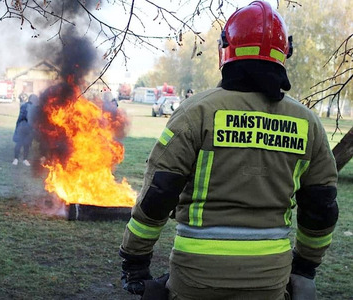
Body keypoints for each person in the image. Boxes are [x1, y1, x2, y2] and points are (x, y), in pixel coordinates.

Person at [119, 2, 338, 300]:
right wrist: (305, 267)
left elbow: (158, 193)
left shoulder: (196, 112)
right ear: (284, 53)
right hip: (269, 281)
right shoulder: (308, 123)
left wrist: (135, 260)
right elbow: (321, 207)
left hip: (195, 279)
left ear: (226, 47)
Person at [12, 94, 38, 166]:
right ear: (30, 99)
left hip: (30, 128)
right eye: (34, 99)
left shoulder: (36, 108)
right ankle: (16, 159)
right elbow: (22, 117)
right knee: (19, 143)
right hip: (22, 127)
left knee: (27, 144)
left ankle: (25, 159)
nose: (35, 100)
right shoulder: (25, 106)